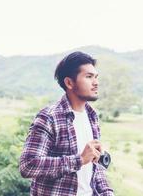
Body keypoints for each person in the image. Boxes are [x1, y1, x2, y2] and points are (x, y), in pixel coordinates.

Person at [19, 51, 114, 196]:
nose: (96, 83)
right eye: (89, 77)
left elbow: (95, 165)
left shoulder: (92, 117)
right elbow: (28, 165)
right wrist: (79, 159)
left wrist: (107, 192)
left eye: (96, 77)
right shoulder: (49, 117)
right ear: (69, 82)